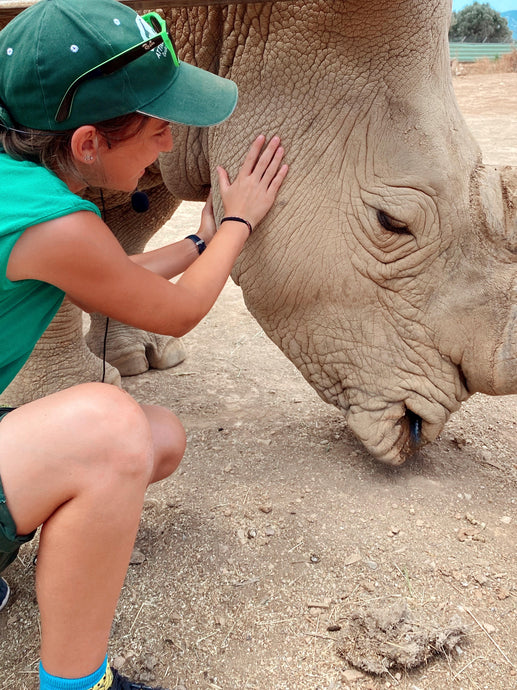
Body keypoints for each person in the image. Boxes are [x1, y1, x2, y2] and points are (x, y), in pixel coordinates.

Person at [0, 1, 288, 689]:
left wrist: (197, 240)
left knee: (159, 437)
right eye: (158, 130)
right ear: (88, 145)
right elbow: (179, 313)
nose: (167, 146)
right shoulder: (55, 222)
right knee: (113, 428)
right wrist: (238, 224)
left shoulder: (24, 188)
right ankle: (76, 684)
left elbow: (111, 278)